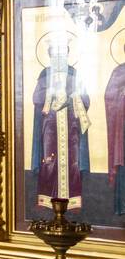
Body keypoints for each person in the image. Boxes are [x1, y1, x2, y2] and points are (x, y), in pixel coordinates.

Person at [31, 38, 90, 210]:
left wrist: (73, 96)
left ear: (67, 55)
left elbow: (85, 98)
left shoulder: (74, 73)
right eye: (55, 55)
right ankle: (46, 199)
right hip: (49, 125)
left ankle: (73, 201)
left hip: (71, 124)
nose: (59, 59)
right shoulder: (45, 74)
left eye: (62, 55)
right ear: (50, 56)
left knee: (72, 161)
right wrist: (49, 92)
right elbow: (36, 99)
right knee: (48, 159)